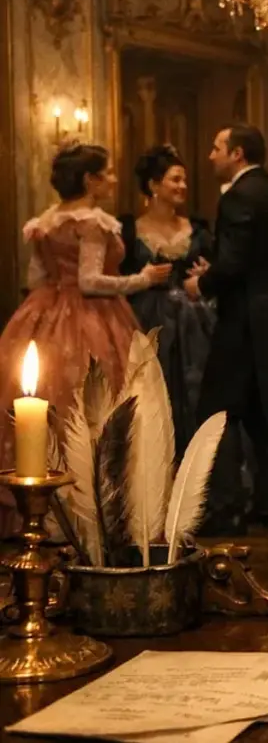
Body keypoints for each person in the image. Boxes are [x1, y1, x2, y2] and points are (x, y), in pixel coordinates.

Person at [0, 143, 169, 535]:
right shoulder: (92, 222)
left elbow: (35, 278)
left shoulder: (46, 221)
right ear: (90, 180)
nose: (113, 179)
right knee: (92, 402)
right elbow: (90, 281)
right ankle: (87, 514)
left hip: (43, 309)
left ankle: (37, 510)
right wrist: (142, 279)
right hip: (93, 317)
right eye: (107, 173)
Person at [187, 124, 268, 535]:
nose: (210, 155)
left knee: (217, 411)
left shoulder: (238, 196)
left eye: (217, 148)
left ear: (237, 154)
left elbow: (235, 263)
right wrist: (220, 268)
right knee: (267, 415)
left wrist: (201, 283)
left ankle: (226, 507)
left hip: (244, 323)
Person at [120, 144, 216, 456]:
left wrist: (207, 273)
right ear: (153, 184)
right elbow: (117, 275)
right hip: (146, 320)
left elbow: (216, 270)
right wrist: (142, 278)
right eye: (175, 179)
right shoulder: (130, 230)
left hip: (194, 323)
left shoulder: (197, 229)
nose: (183, 186)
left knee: (197, 391)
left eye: (184, 180)